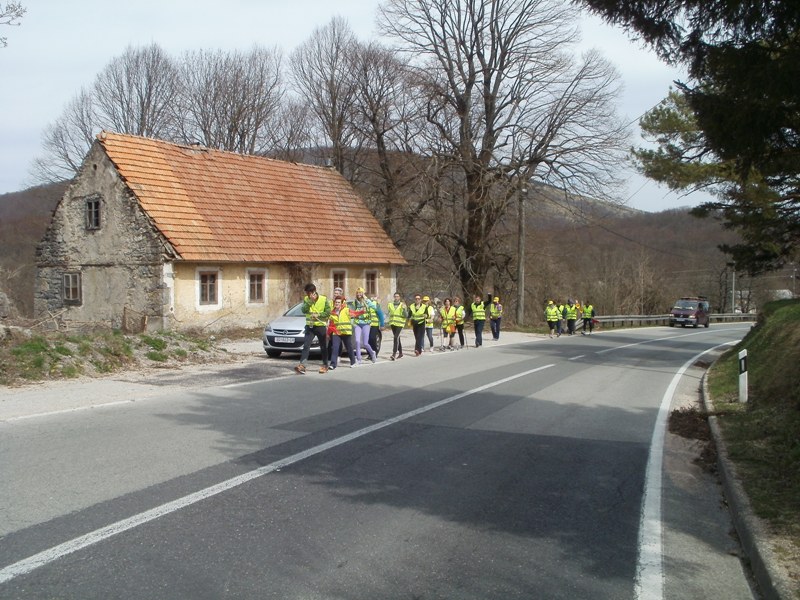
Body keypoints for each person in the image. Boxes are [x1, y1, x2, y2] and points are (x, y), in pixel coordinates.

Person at [295, 283, 332, 374]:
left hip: (320, 326)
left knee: (323, 346)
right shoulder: (307, 299)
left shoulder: (323, 299)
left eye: (309, 293)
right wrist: (310, 301)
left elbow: (328, 312)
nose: (307, 295)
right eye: (307, 293)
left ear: (313, 292)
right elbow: (304, 310)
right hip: (309, 326)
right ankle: (302, 365)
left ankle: (325, 365)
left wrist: (318, 315)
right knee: (306, 345)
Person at [349, 287, 377, 365]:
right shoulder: (355, 302)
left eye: (360, 293)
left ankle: (372, 353)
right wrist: (352, 322)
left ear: (363, 293)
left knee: (365, 343)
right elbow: (352, 313)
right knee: (357, 341)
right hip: (357, 323)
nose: (359, 294)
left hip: (366, 324)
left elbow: (374, 307)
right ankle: (359, 359)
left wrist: (366, 299)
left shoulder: (367, 301)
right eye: (357, 293)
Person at [328, 296, 356, 369]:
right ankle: (333, 364)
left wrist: (363, 311)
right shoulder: (332, 312)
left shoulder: (346, 310)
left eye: (338, 302)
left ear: (341, 303)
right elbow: (329, 322)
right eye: (336, 302)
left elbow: (355, 314)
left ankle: (353, 362)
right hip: (337, 332)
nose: (337, 303)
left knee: (349, 347)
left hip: (346, 332)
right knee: (335, 347)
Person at [387, 292, 407, 360]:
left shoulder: (402, 305)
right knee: (397, 338)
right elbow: (388, 313)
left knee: (395, 337)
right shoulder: (390, 304)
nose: (396, 297)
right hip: (393, 323)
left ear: (399, 297)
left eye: (397, 296)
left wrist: (404, 309)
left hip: (400, 324)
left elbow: (406, 315)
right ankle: (401, 353)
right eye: (395, 296)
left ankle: (394, 353)